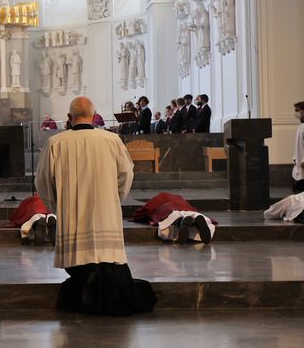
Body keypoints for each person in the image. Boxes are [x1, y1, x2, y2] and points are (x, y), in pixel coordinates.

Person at [35, 96, 156, 316]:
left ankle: (87, 287)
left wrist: (57, 206)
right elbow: (126, 173)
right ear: (94, 115)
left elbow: (42, 181)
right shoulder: (112, 140)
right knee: (108, 260)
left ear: (69, 118)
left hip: (72, 214)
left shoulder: (56, 143)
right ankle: (104, 290)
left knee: (79, 262)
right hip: (105, 213)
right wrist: (114, 198)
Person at [131, 192, 215, 244]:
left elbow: (145, 209)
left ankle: (179, 221)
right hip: (183, 205)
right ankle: (196, 220)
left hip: (165, 206)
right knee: (188, 211)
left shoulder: (160, 197)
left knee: (170, 214)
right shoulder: (179, 198)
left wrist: (137, 216)